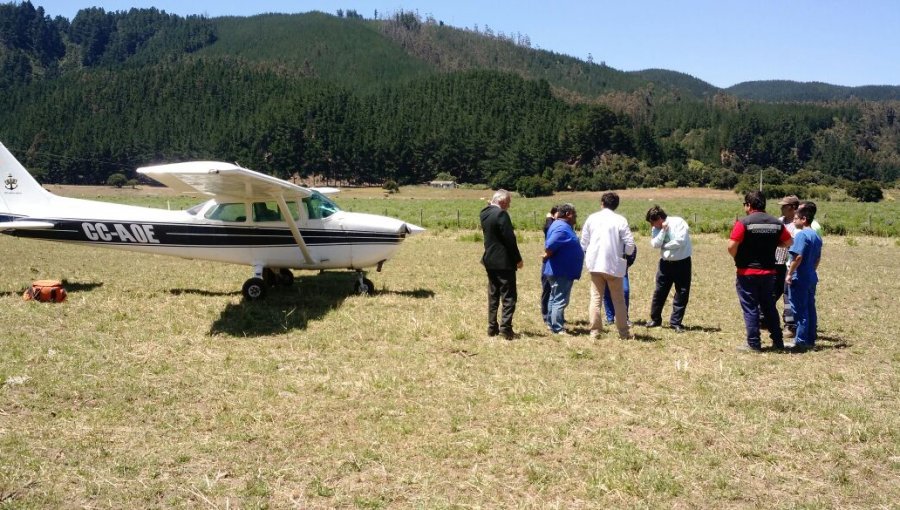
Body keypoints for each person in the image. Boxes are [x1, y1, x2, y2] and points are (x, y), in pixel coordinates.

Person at [727, 191, 793, 351]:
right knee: (769, 307)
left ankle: (753, 343)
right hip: (769, 273)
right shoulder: (776, 223)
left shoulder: (744, 223)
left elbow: (731, 246)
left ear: (749, 205)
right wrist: (773, 245)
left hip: (746, 273)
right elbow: (788, 241)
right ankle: (778, 342)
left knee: (750, 307)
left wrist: (738, 258)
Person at [581, 192, 636, 340]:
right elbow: (630, 244)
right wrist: (625, 253)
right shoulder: (620, 220)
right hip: (614, 265)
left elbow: (583, 242)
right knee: (618, 300)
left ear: (602, 203)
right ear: (616, 205)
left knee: (595, 298)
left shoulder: (591, 218)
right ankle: (623, 333)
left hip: (595, 264)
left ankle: (594, 331)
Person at [480, 189, 523, 340]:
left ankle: (492, 327)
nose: (509, 206)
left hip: (489, 259)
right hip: (504, 261)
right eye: (508, 203)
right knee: (509, 296)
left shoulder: (484, 212)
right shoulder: (501, 214)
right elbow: (509, 239)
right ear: (502, 201)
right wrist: (518, 259)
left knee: (493, 295)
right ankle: (506, 329)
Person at [646, 205, 693, 332]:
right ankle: (655, 319)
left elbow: (680, 241)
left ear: (659, 218)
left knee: (682, 292)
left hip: (682, 263)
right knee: (659, 292)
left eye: (653, 223)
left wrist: (665, 246)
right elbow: (655, 244)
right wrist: (662, 231)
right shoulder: (657, 228)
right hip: (665, 264)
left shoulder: (678, 222)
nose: (652, 226)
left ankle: (676, 322)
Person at [786, 201, 823, 351]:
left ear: (804, 220)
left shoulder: (802, 235)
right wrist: (811, 270)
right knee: (810, 307)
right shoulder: (816, 236)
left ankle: (800, 341)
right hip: (810, 276)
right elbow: (817, 258)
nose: (794, 221)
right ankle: (810, 337)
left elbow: (797, 257)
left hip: (799, 277)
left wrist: (789, 273)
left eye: (796, 218)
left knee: (800, 310)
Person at [542, 204, 584, 335]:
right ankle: (557, 327)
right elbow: (549, 246)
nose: (576, 217)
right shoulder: (561, 227)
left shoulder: (559, 225)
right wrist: (547, 253)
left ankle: (551, 323)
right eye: (575, 214)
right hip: (561, 270)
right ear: (568, 214)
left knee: (554, 297)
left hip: (559, 269)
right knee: (560, 299)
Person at [773, 195, 801, 336]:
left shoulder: (798, 225)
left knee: (787, 294)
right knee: (772, 291)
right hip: (777, 262)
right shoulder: (780, 221)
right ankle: (765, 318)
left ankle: (790, 325)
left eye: (784, 206)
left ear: (792, 207)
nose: (781, 208)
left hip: (790, 263)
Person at [602, 246, 636, 326]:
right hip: (606, 266)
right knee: (607, 291)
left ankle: (624, 318)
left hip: (621, 265)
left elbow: (632, 246)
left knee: (625, 291)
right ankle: (609, 318)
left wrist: (627, 263)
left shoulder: (622, 233)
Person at [540, 205, 559, 328]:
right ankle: (546, 315)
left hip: (558, 262)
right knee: (547, 289)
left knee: (556, 290)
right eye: (558, 214)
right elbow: (547, 229)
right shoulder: (550, 225)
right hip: (548, 262)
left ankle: (555, 315)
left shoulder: (560, 225)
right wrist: (549, 218)